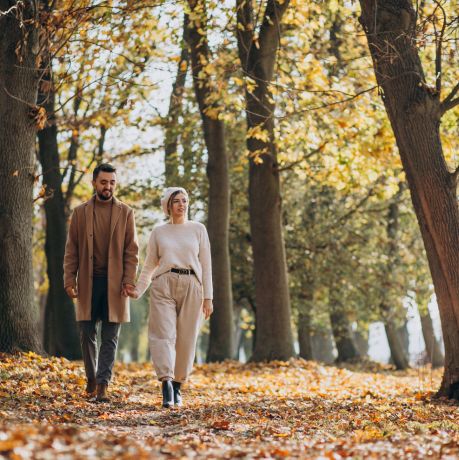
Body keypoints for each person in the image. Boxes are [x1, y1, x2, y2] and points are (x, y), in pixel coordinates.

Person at [128, 186, 213, 408]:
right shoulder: (159, 232)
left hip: (192, 285)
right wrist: (138, 290)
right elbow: (149, 266)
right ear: (168, 205)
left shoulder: (198, 229)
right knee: (163, 335)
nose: (181, 204)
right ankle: (165, 382)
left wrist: (208, 297)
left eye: (184, 200)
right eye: (176, 201)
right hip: (163, 284)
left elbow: (206, 265)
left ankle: (177, 385)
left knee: (186, 339)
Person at [63, 163, 139, 402]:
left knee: (110, 335)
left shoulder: (126, 213)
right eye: (104, 182)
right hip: (88, 281)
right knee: (86, 333)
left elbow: (131, 251)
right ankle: (92, 379)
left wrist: (129, 280)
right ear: (94, 183)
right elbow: (71, 250)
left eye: (112, 182)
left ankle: (103, 385)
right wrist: (69, 278)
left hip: (115, 285)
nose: (108, 186)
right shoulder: (80, 213)